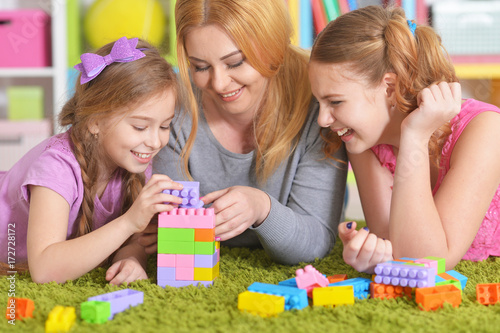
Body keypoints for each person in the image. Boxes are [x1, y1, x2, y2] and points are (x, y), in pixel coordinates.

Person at [151, 0, 348, 265]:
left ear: (273, 44)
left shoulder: (319, 101)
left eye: (235, 62)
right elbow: (170, 224)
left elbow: (315, 242)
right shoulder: (171, 103)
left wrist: (261, 208)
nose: (219, 84)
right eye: (200, 66)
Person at [309, 5, 500, 273]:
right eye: (319, 102)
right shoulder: (362, 139)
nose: (322, 120)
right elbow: (399, 246)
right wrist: (377, 253)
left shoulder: (485, 129)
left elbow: (431, 260)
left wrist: (415, 136)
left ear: (390, 88)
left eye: (335, 101)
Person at [0, 37, 185, 284]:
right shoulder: (56, 169)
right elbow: (44, 270)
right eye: (140, 127)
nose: (155, 141)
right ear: (95, 121)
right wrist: (129, 222)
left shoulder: (132, 160)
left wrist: (132, 258)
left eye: (164, 125)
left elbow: (133, 240)